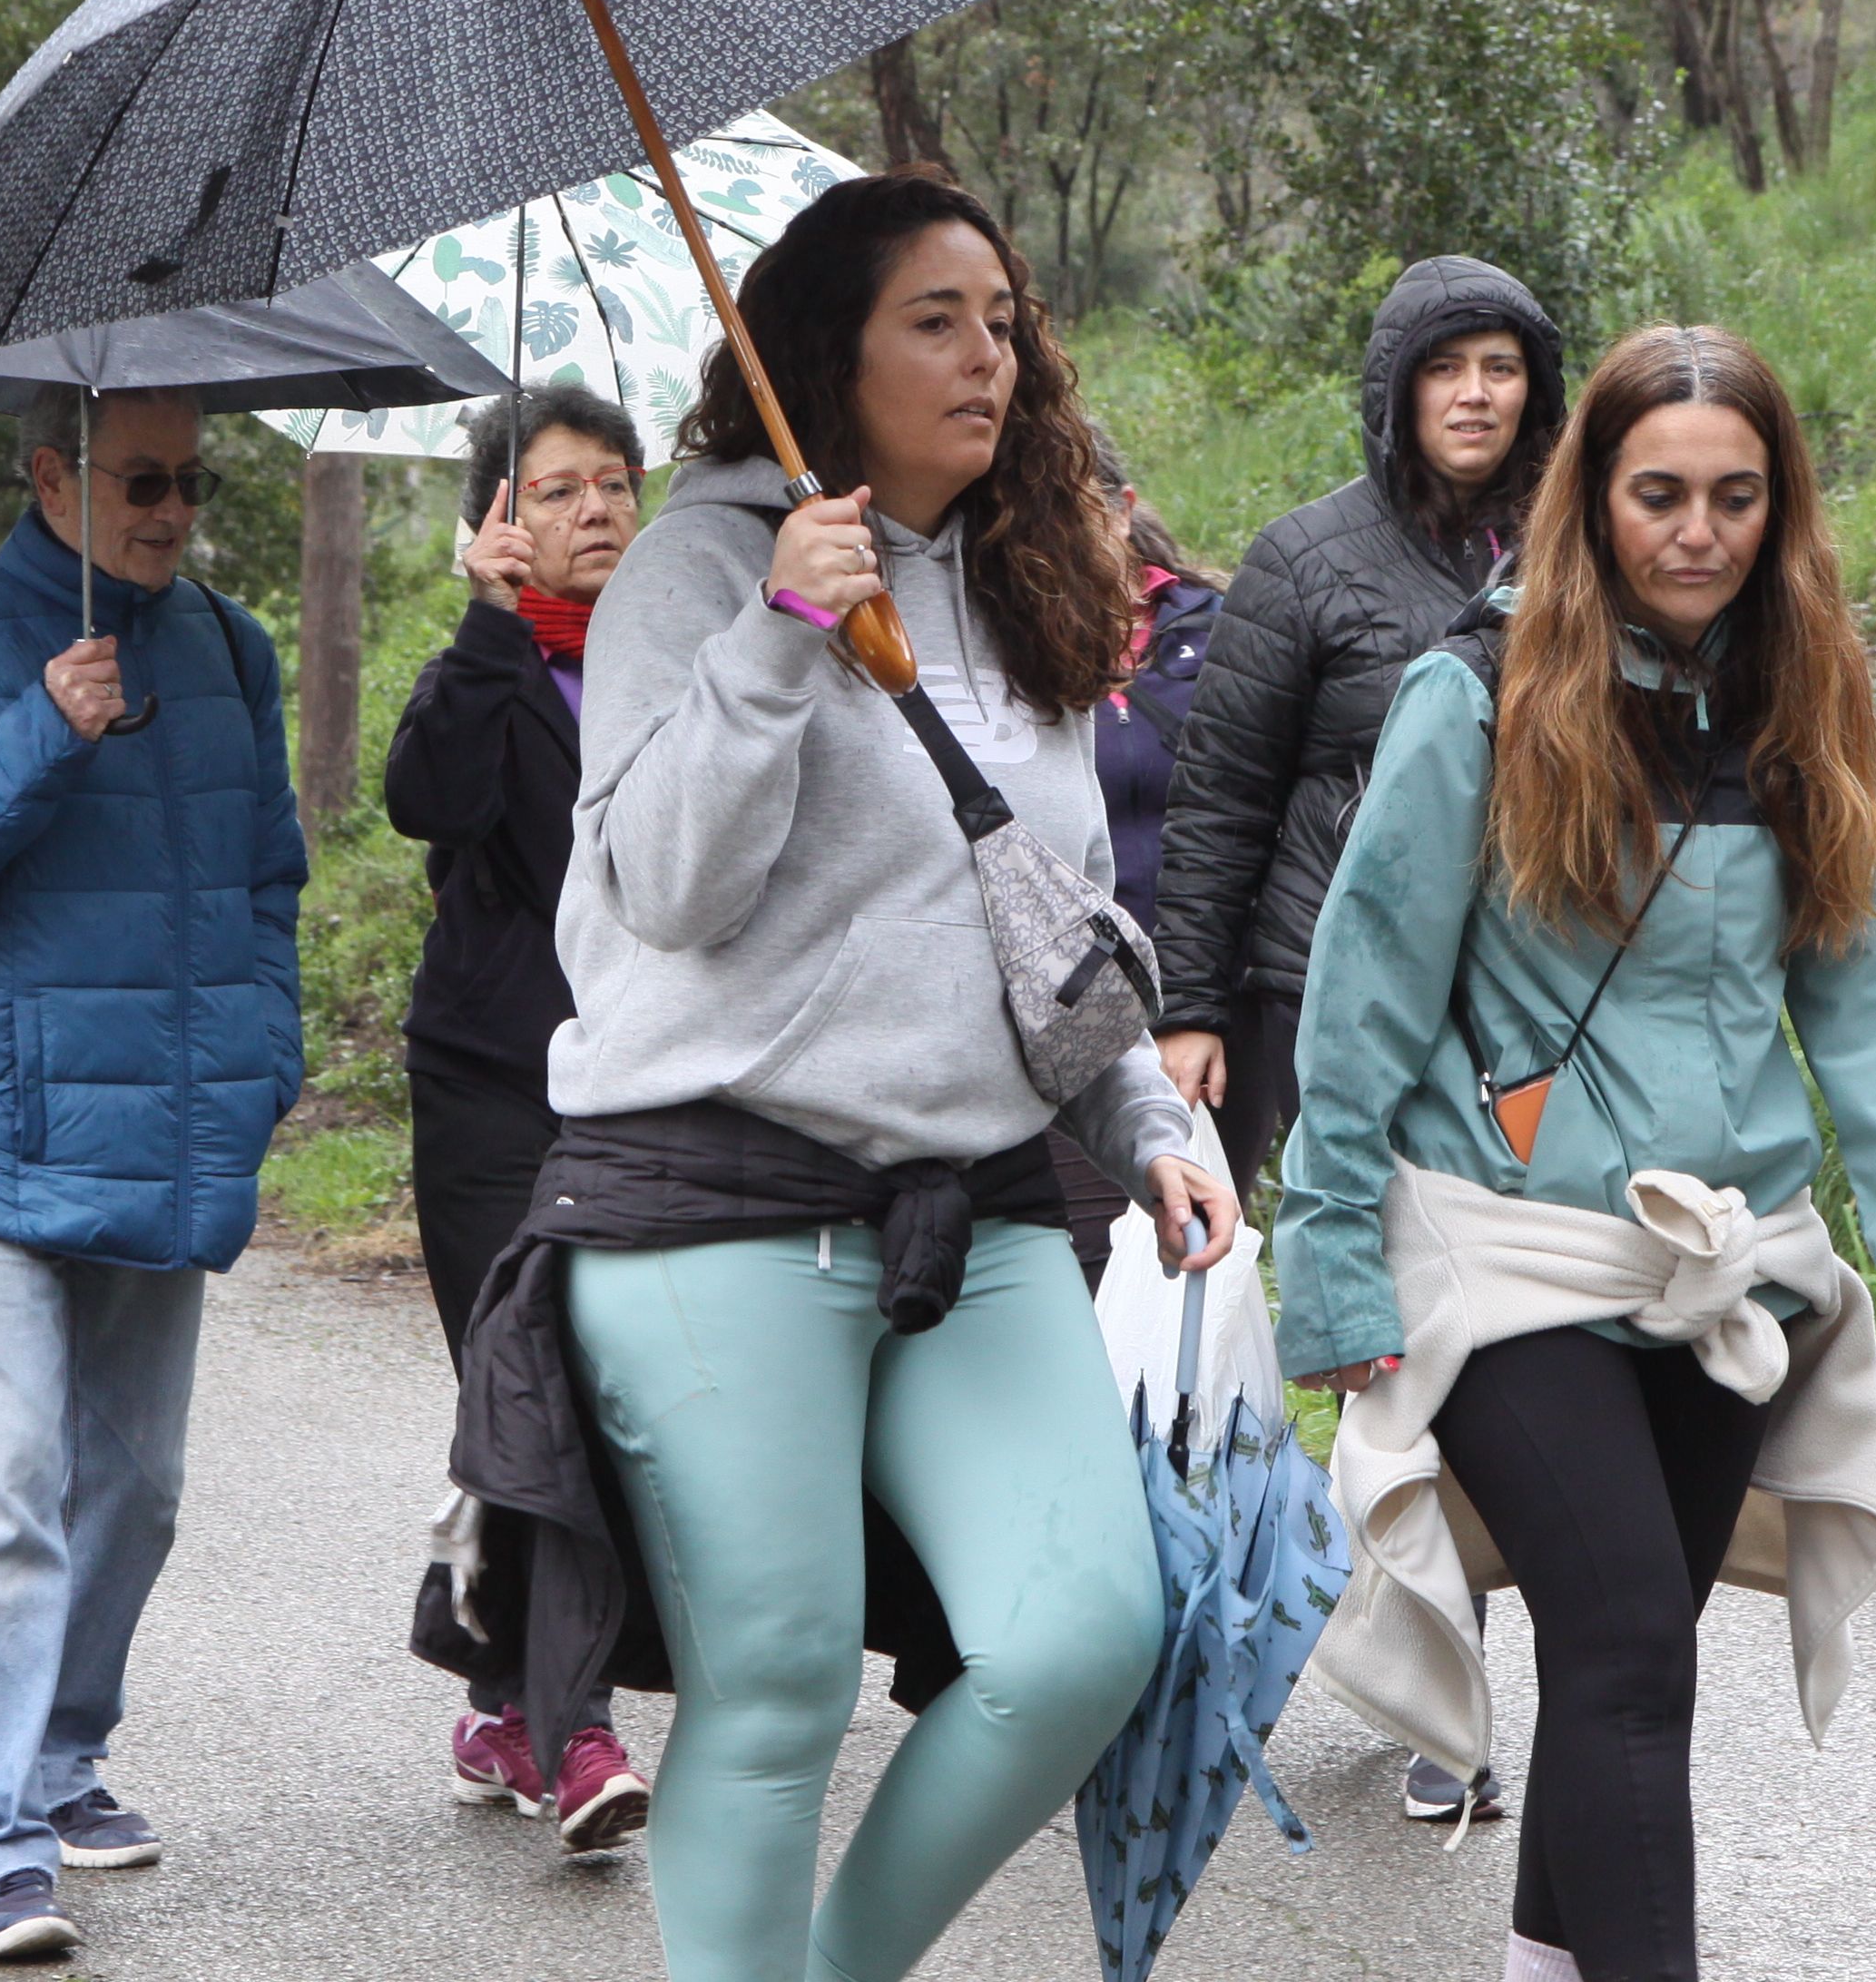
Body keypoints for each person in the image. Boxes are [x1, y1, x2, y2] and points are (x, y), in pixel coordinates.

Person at [505, 170, 1239, 1982]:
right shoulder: (697, 560)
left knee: (1081, 1633)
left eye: (1002, 318)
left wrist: (1144, 1118)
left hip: (972, 1204)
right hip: (714, 1205)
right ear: (830, 350)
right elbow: (662, 889)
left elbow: (1047, 918)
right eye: (936, 319)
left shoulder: (1027, 572)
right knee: (774, 1675)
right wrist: (779, 631)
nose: (988, 353)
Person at [1278, 325, 1876, 1982]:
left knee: (1635, 1656)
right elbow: (1364, 989)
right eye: (1658, 492)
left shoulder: (1804, 709)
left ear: (1780, 505)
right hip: (1507, 1245)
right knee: (1622, 1645)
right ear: (1588, 498)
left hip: (1719, 1263)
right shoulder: (1471, 694)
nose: (1697, 529)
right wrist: (1327, 1258)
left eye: (1735, 495)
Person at [0, 388, 305, 1966]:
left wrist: (265, 1060)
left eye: (193, 479)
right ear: (51, 474)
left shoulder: (232, 647)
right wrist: (45, 723)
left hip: (165, 1123)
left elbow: (268, 881)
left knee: (139, 1489)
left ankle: (61, 1750)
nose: (173, 509)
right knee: (3, 1493)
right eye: (143, 479)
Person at [384, 382, 653, 1853]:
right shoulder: (486, 667)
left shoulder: (672, 665)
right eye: (555, 488)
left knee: (595, 1389)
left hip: (644, 1085)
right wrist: (488, 628)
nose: (595, 507)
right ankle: (576, 1725)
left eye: (613, 481)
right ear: (498, 518)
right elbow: (426, 798)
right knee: (544, 1374)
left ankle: (495, 1664)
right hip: (492, 1083)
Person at [1156, 256, 1564, 1192]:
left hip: (1536, 976)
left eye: (1500, 368)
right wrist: (1191, 1007)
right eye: (1443, 367)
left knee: (1530, 1259)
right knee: (1373, 1249)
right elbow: (1220, 799)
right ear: (1396, 388)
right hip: (1336, 976)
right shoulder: (1302, 560)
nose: (1473, 395)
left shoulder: (1582, 548)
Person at [1047, 455, 1225, 1287]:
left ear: (1121, 510)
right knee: (1091, 1253)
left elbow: (1243, 824)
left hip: (1208, 1010)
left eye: (1074, 503)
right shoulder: (998, 649)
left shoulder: (1218, 631)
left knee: (1190, 1251)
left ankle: (1183, 1419)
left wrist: (1198, 1008)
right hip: (1067, 1006)